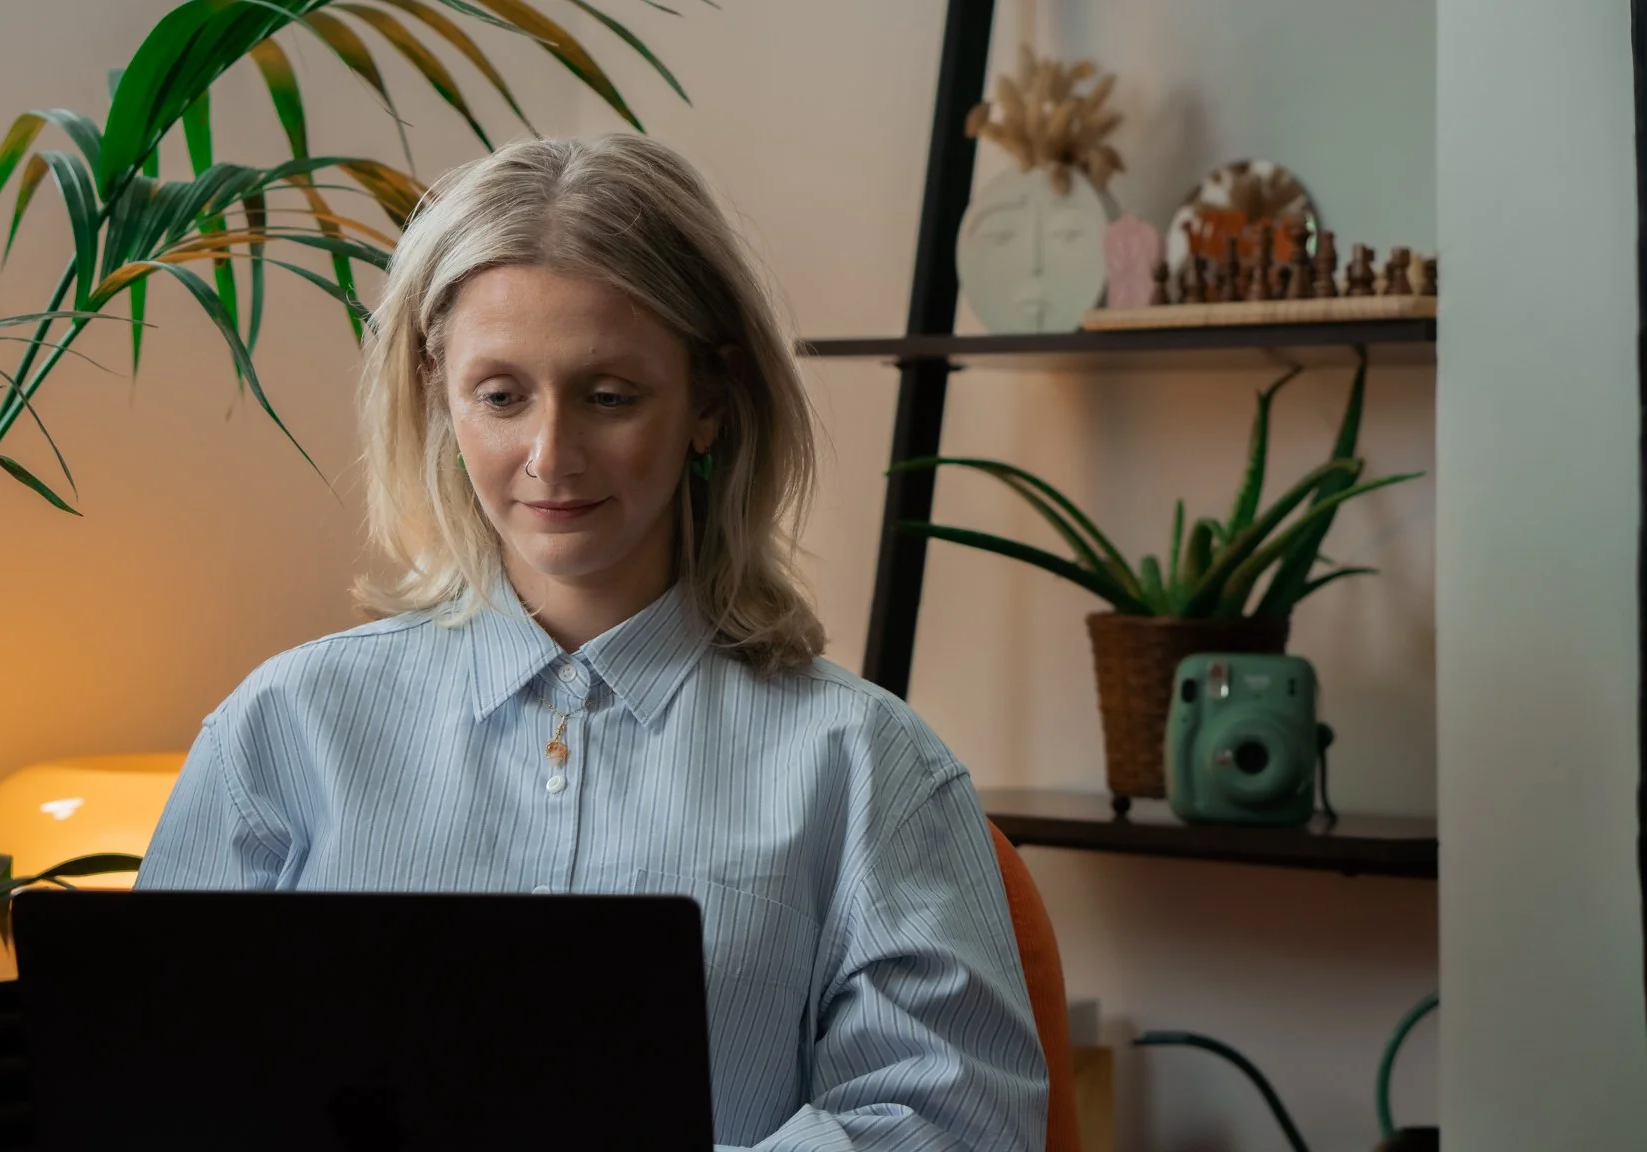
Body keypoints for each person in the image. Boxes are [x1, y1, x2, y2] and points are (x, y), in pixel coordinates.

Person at [136, 133, 1048, 1150]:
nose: (550, 455)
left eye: (609, 397)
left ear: (709, 401)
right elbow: (159, 1091)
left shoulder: (865, 765)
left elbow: (949, 1120)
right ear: (440, 392)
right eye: (501, 395)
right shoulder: (281, 731)